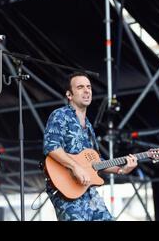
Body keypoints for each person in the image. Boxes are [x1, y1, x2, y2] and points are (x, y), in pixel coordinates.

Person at [43, 71, 138, 221]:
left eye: (89, 87)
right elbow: (51, 146)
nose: (87, 90)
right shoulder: (60, 115)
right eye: (80, 87)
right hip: (67, 190)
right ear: (69, 94)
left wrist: (121, 169)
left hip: (89, 191)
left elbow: (96, 163)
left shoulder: (88, 126)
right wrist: (75, 167)